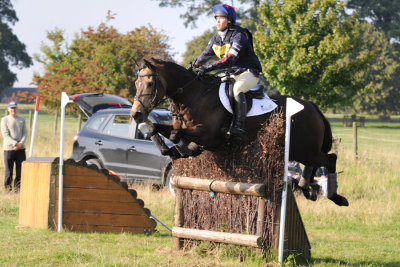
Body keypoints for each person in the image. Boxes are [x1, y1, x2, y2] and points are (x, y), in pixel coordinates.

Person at [188, 4, 263, 138]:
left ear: (229, 20)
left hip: (249, 72)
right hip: (232, 73)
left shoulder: (239, 36)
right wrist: (194, 65)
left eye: (221, 18)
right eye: (216, 18)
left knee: (237, 89)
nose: (218, 21)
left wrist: (209, 67)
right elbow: (205, 55)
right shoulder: (215, 38)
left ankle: (238, 126)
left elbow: (229, 59)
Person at [1, 101, 27, 192]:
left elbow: (25, 133)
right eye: (11, 108)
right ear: (8, 109)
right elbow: (5, 134)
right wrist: (14, 144)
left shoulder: (22, 119)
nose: (13, 110)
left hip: (21, 149)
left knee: (20, 170)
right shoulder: (4, 120)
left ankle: (18, 189)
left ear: (17, 109)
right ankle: (8, 189)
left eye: (15, 108)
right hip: (9, 149)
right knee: (9, 171)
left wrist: (21, 144)